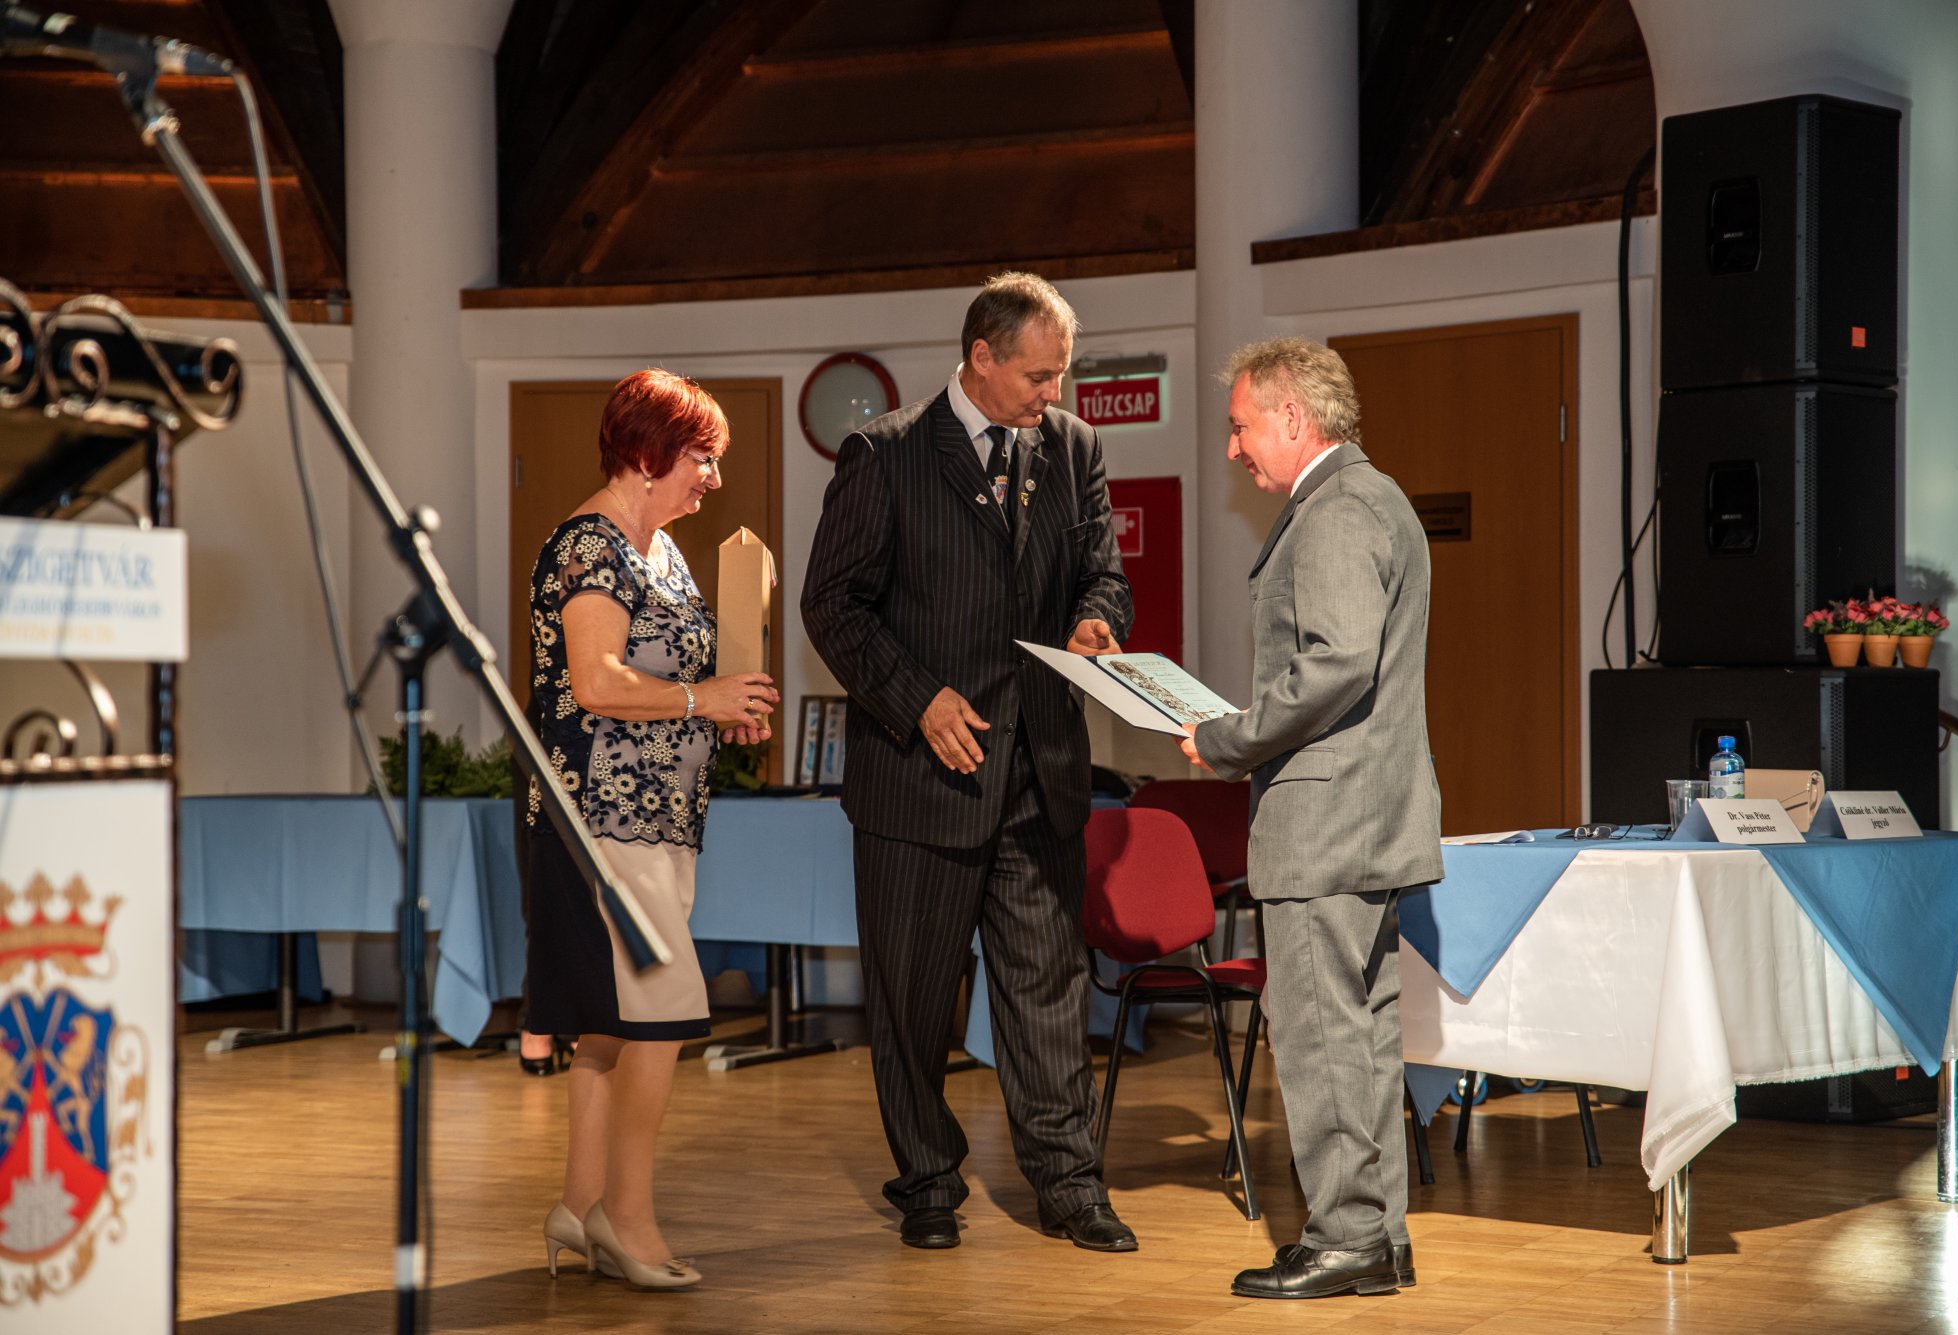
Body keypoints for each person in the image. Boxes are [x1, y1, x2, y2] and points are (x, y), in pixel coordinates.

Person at [801, 272, 1135, 1252]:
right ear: (980, 357)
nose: (1052, 395)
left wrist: (1094, 619)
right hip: (920, 779)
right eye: (1036, 376)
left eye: (1060, 376)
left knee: (1049, 992)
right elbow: (832, 606)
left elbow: (1103, 573)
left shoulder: (1073, 447)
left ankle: (1069, 1185)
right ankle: (927, 1181)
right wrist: (917, 699)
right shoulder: (886, 454)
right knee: (912, 998)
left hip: (1041, 772)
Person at [1179, 336, 1442, 1300]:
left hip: (1325, 826)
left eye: (1242, 426)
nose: (1234, 448)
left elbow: (1334, 664)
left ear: (1293, 416)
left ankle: (1346, 1237)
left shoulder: (1332, 510)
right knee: (1362, 1038)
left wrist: (1228, 739)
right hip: (1370, 819)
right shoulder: (1381, 499)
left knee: (1324, 1038)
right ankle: (1377, 1236)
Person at [523, 368, 778, 1291]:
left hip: (662, 818)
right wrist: (702, 698)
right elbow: (596, 681)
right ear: (646, 451)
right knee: (663, 1007)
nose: (714, 477)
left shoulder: (663, 551)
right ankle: (625, 1219)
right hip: (600, 816)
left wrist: (725, 705)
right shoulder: (587, 547)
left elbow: (678, 684)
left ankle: (578, 1203)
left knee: (611, 1025)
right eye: (703, 457)